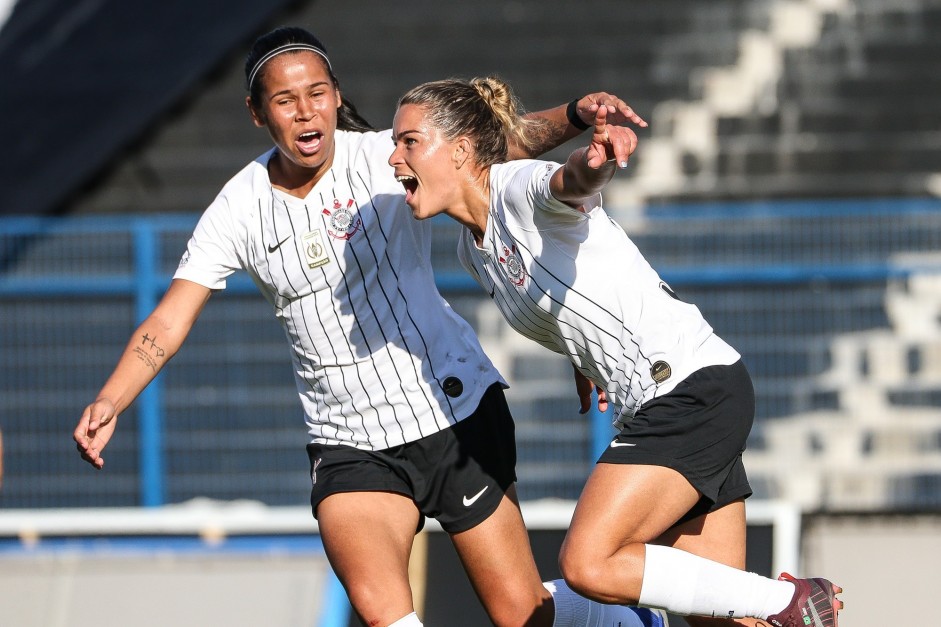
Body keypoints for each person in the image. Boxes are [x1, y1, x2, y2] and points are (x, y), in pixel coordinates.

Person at [72, 26, 666, 627]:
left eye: (318, 92)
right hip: (348, 441)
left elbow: (491, 144)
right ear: (257, 113)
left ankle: (623, 620)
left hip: (453, 413)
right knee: (386, 616)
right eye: (285, 100)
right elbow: (172, 315)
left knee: (520, 614)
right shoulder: (237, 206)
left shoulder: (387, 158)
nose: (306, 112)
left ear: (336, 95)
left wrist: (573, 114)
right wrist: (111, 398)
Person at [388, 76, 844, 627]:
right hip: (687, 392)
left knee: (588, 563)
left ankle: (788, 600)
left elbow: (570, 182)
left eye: (409, 141)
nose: (394, 158)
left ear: (460, 150)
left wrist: (598, 161)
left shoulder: (516, 186)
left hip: (685, 391)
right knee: (722, 619)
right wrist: (584, 356)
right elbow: (566, 293)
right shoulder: (471, 250)